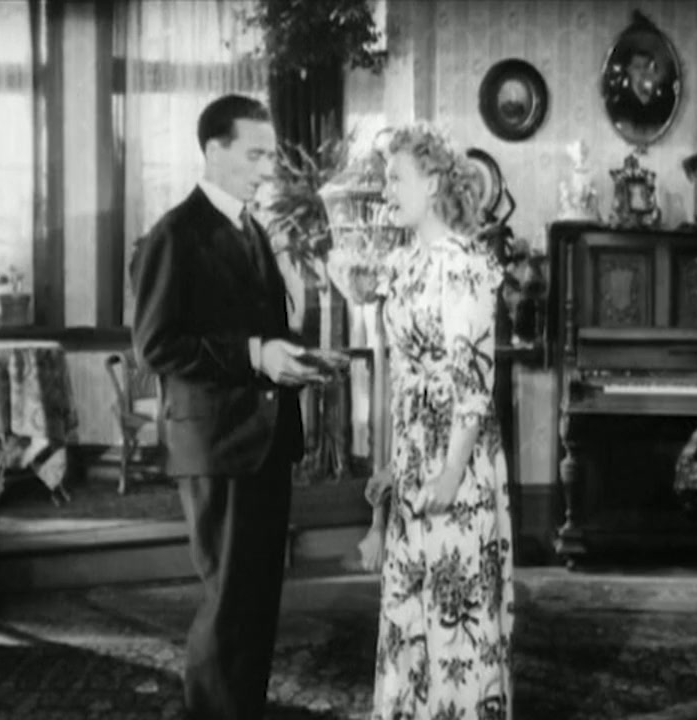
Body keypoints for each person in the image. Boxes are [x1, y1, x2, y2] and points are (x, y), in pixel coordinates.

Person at [129, 94, 327, 720]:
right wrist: (254, 354)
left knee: (259, 597)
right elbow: (155, 346)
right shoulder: (174, 235)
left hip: (265, 439)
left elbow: (259, 335)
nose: (267, 169)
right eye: (255, 155)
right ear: (214, 151)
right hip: (217, 443)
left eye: (271, 156)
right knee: (229, 598)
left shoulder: (253, 229)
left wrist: (295, 359)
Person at [356, 123, 514, 719]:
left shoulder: (465, 266)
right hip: (414, 454)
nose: (387, 190)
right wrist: (391, 468)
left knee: (455, 614)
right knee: (408, 610)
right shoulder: (403, 266)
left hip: (458, 459)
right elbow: (400, 379)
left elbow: (473, 381)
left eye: (395, 178)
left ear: (431, 183)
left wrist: (450, 472)